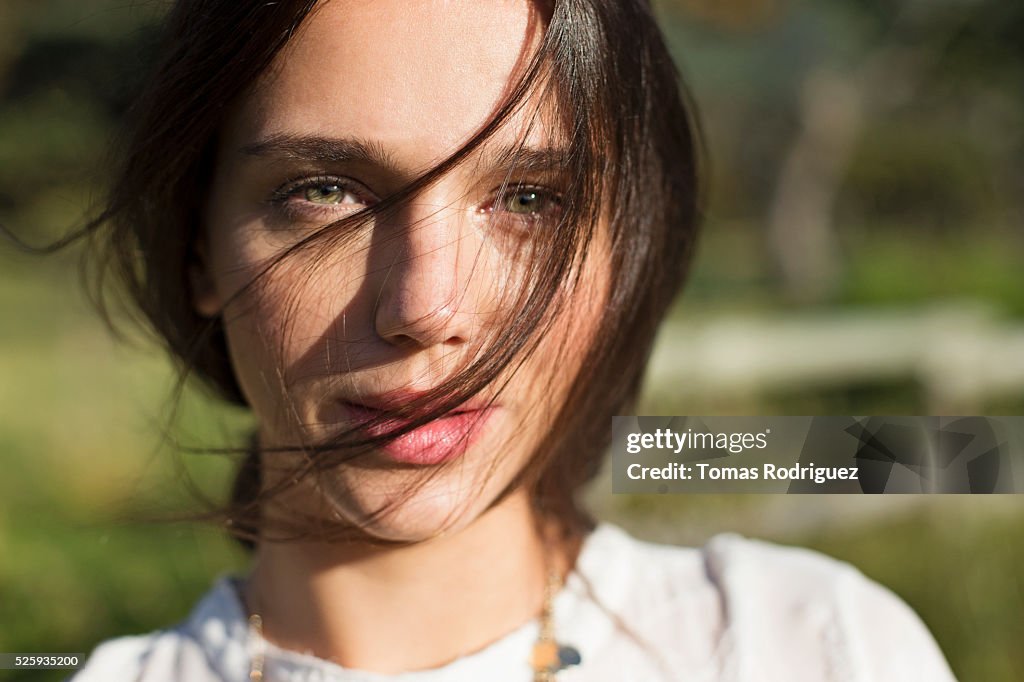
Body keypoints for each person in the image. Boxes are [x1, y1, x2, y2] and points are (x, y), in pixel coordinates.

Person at [68, 0, 956, 680]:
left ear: (626, 250)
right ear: (198, 250)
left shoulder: (807, 647)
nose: (425, 304)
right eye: (325, 190)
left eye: (531, 199)